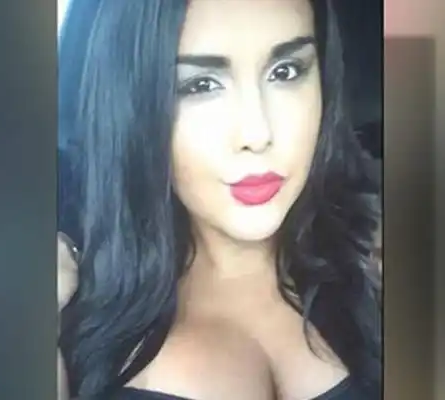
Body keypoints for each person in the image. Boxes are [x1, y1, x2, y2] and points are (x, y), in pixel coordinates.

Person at [57, 0, 381, 399]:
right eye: (201, 85)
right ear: (134, 108)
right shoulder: (63, 328)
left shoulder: (368, 272)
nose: (257, 134)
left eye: (285, 71)